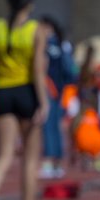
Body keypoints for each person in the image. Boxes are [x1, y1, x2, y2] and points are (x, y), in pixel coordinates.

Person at [0, 0, 50, 200]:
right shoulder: (36, 30)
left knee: (3, 156)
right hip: (26, 93)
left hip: (3, 91)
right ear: (30, 2)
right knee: (29, 159)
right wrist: (44, 101)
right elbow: (37, 70)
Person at [39, 15, 75, 179]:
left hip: (49, 88)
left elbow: (42, 67)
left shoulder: (48, 45)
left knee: (48, 126)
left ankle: (50, 161)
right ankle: (57, 162)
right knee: (55, 126)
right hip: (59, 90)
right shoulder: (62, 44)